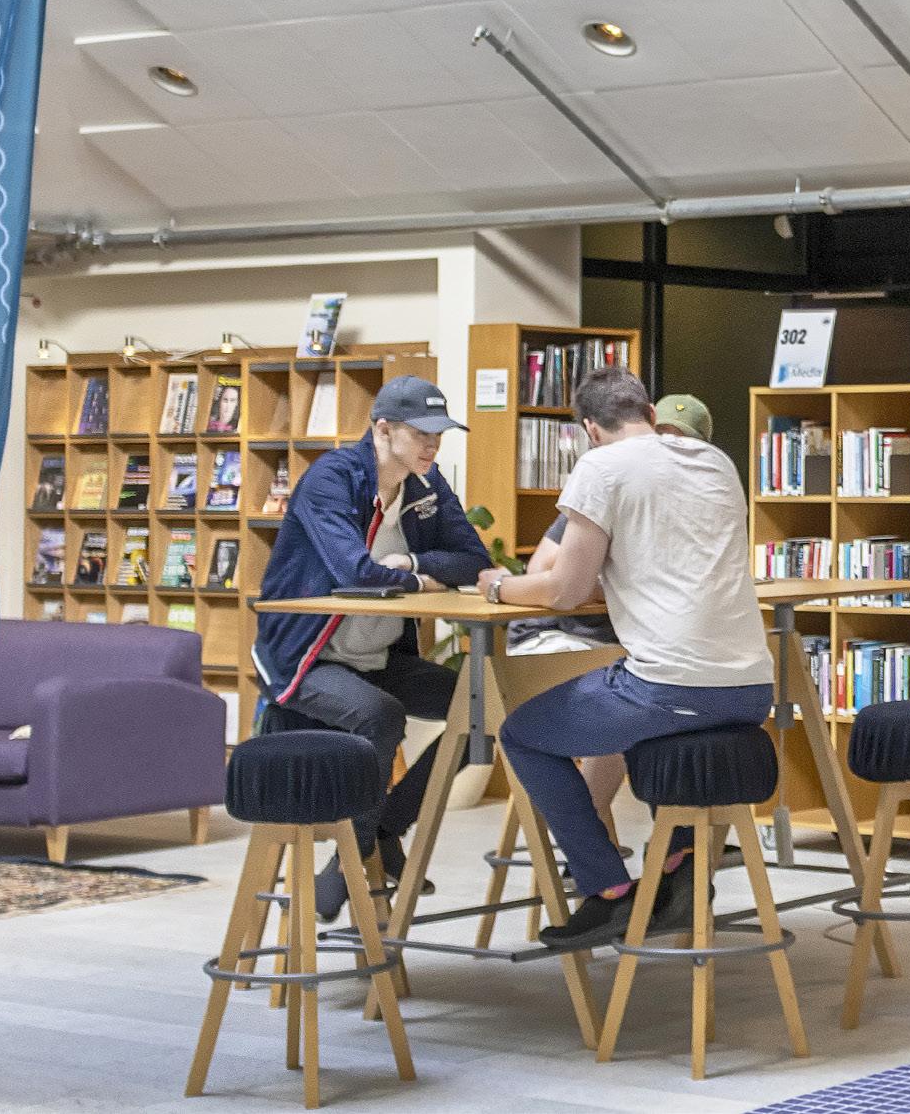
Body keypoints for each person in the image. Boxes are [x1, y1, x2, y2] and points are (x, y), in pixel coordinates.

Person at [488, 371, 773, 949]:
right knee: (655, 731)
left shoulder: (601, 467)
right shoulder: (716, 462)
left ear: (590, 429)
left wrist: (497, 587)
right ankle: (678, 866)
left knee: (522, 735)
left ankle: (607, 889)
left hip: (673, 686)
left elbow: (565, 590)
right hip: (750, 688)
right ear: (648, 411)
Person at [253, 374, 487, 920]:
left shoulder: (426, 486)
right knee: (379, 715)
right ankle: (354, 859)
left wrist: (412, 563)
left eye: (439, 434)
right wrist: (422, 580)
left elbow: (474, 561)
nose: (433, 445)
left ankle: (382, 828)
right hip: (307, 656)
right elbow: (354, 572)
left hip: (379, 656)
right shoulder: (332, 479)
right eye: (421, 433)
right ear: (383, 430)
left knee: (481, 709)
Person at [505, 391, 721, 834]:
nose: (666, 450)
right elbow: (546, 571)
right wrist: (614, 581)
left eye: (680, 442)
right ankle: (599, 834)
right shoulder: (610, 485)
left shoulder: (695, 502)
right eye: (661, 437)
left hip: (627, 643)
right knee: (633, 704)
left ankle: (676, 845)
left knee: (679, 702)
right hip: (570, 635)